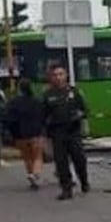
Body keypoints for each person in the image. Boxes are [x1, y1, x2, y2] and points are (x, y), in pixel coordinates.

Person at [42, 66, 89, 200]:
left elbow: (85, 110)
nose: (58, 77)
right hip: (57, 133)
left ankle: (84, 181)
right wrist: (45, 135)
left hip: (73, 131)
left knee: (79, 159)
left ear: (66, 75)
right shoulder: (48, 95)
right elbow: (43, 115)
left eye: (61, 74)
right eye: (55, 75)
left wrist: (80, 116)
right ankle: (66, 189)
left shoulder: (74, 92)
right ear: (51, 78)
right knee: (61, 163)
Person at [8, 80, 46, 189]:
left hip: (20, 135)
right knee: (37, 156)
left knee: (27, 157)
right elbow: (43, 116)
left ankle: (31, 176)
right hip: (36, 133)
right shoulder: (37, 102)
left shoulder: (13, 103)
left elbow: (9, 118)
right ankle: (35, 174)